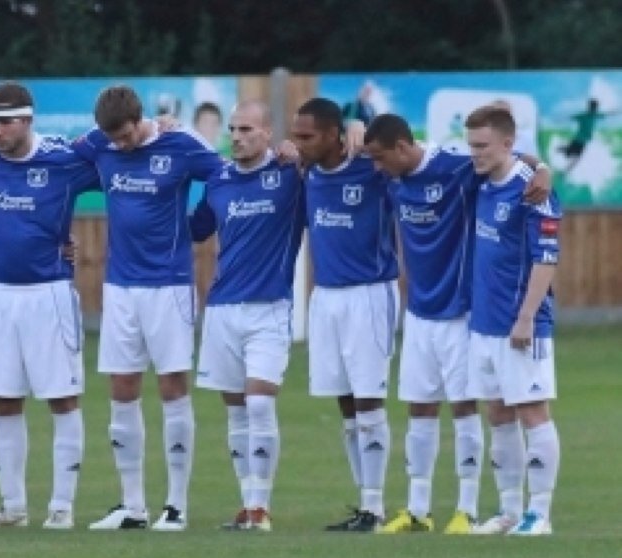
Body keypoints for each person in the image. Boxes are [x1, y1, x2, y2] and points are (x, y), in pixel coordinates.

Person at [363, 113, 551, 535]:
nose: (375, 167)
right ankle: (418, 510)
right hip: (419, 312)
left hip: (462, 311)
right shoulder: (389, 176)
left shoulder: (457, 166)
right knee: (419, 405)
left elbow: (507, 156)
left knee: (467, 406)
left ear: (401, 148)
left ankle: (467, 509)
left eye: (380, 158)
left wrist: (542, 168)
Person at [72, 85, 225, 531]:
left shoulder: (181, 143)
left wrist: (199, 226)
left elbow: (225, 178)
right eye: (113, 139)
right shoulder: (99, 143)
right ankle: (132, 505)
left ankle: (176, 506)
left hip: (169, 285)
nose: (120, 146)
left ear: (140, 120)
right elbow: (57, 158)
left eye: (125, 136)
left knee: (172, 386)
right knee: (121, 388)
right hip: (120, 287)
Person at [0, 82, 98, 530]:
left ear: (27, 121)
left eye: (7, 122)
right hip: (1, 295)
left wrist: (161, 128)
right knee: (4, 400)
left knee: (62, 398)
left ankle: (62, 507)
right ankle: (13, 507)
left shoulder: (63, 161)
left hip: (50, 295)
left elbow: (119, 157)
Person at [189, 101, 304, 532]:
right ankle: (246, 503)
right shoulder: (218, 180)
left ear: (268, 133)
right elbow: (194, 229)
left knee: (259, 402)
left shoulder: (291, 175)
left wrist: (304, 156)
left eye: (247, 129)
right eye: (233, 129)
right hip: (222, 308)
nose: (237, 137)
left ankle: (260, 506)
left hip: (269, 306)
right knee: (236, 410)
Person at [291, 98, 398, 533]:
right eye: (296, 136)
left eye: (307, 136)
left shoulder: (371, 168)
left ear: (335, 135)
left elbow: (414, 153)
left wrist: (361, 125)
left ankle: (376, 506)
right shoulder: (308, 174)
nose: (299, 143)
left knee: (369, 398)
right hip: (326, 296)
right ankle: (365, 503)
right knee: (345, 401)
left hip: (369, 293)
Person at [463, 105, 562, 536]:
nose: (475, 153)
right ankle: (508, 510)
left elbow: (546, 259)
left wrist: (525, 318)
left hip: (521, 325)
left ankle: (539, 514)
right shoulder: (482, 182)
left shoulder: (533, 191)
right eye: (472, 145)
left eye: (483, 146)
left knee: (532, 412)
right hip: (484, 324)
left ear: (508, 143)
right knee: (498, 414)